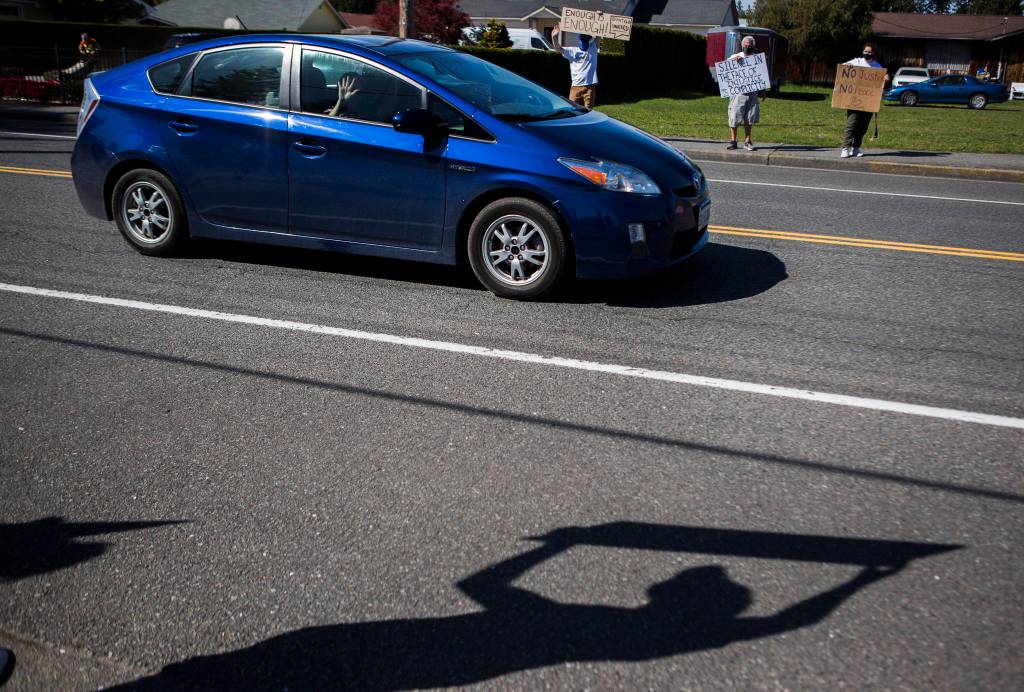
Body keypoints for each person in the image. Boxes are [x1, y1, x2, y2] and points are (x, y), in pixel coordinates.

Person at [840, 42, 888, 159]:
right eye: (865, 51)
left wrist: (885, 79)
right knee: (852, 124)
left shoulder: (877, 66)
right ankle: (845, 148)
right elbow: (843, 67)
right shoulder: (856, 62)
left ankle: (855, 148)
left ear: (874, 53)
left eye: (869, 52)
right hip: (854, 100)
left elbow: (881, 83)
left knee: (863, 127)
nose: (867, 53)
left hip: (869, 101)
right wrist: (846, 66)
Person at [551, 24, 599, 108]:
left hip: (590, 86)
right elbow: (558, 48)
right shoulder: (572, 51)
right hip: (575, 86)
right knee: (572, 110)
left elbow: (599, 33)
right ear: (579, 39)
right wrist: (554, 37)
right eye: (583, 38)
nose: (584, 40)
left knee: (588, 112)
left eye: (586, 39)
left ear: (589, 40)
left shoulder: (593, 48)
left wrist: (600, 18)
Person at [726, 36, 760, 151]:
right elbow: (725, 70)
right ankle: (733, 141)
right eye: (745, 44)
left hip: (752, 93)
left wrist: (764, 90)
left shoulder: (757, 59)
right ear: (742, 45)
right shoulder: (736, 56)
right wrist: (733, 61)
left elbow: (762, 76)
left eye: (749, 44)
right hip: (738, 94)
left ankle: (747, 141)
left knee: (749, 118)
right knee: (734, 116)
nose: (747, 45)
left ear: (753, 45)